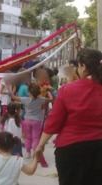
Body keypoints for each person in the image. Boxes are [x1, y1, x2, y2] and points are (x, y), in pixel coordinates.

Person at [36, 48, 102, 185]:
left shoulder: (68, 89)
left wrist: (40, 144)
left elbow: (54, 122)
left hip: (71, 150)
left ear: (83, 66)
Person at [10, 83, 51, 167]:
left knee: (28, 137)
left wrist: (10, 89)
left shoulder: (25, 99)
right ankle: (35, 151)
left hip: (27, 120)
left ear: (29, 92)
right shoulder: (41, 99)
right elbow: (51, 99)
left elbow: (13, 97)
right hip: (37, 121)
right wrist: (49, 92)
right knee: (36, 138)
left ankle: (28, 152)